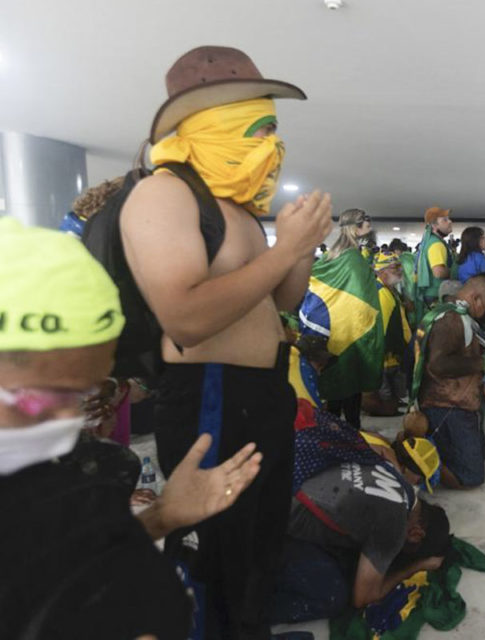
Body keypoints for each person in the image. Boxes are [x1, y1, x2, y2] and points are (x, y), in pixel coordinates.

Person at [119, 45, 332, 639]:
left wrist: (300, 244)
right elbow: (185, 317)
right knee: (219, 540)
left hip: (260, 393)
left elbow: (279, 302)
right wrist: (285, 249)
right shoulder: (164, 195)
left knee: (259, 535)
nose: (271, 143)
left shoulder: (238, 208)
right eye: (256, 126)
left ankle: (249, 627)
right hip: (212, 394)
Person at [0, 218, 264, 640]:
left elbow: (60, 564)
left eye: (85, 394)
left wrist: (162, 517)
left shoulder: (72, 474)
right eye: (45, 397)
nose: (71, 420)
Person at [272, 408, 450, 622]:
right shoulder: (395, 524)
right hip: (265, 514)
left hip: (277, 466)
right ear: (416, 534)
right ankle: (238, 611)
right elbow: (363, 599)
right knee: (334, 596)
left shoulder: (389, 466)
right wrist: (417, 566)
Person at [411, 273, 485, 489]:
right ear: (476, 298)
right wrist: (483, 364)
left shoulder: (455, 314)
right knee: (471, 476)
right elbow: (438, 365)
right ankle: (414, 460)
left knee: (481, 455)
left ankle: (434, 449)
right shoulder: (450, 320)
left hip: (460, 404)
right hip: (447, 407)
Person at [302, 208, 383, 429]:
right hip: (351, 330)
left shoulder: (335, 253)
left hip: (333, 329)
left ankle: (334, 435)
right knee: (351, 385)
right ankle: (352, 435)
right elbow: (361, 293)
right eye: (366, 221)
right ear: (357, 226)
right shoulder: (353, 258)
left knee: (335, 388)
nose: (369, 225)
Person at [362, 251, 412, 416]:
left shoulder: (387, 290)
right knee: (387, 388)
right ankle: (385, 408)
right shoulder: (382, 293)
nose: (399, 270)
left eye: (399, 266)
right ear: (381, 271)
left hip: (390, 355)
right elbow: (381, 329)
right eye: (394, 267)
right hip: (387, 356)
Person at [414, 206, 455, 319]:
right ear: (434, 226)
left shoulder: (429, 241)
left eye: (449, 218)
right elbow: (438, 272)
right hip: (437, 295)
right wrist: (455, 271)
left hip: (429, 295)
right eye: (444, 220)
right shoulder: (436, 244)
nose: (450, 222)